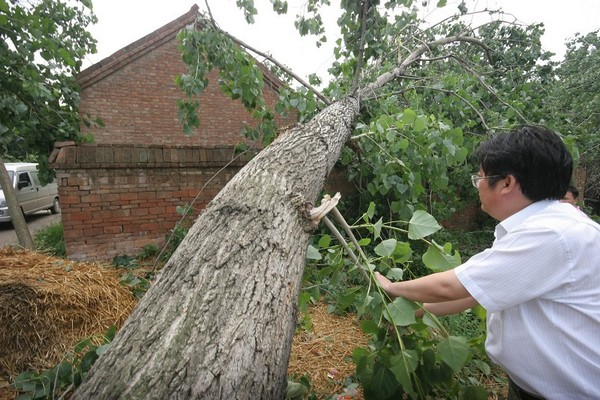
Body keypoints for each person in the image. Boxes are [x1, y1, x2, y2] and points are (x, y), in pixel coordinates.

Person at [375, 125, 600, 400]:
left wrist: (391, 287)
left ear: (507, 183)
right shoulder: (539, 226)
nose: (478, 185)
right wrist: (417, 311)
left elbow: (453, 286)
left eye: (479, 177)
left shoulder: (550, 234)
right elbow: (477, 293)